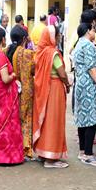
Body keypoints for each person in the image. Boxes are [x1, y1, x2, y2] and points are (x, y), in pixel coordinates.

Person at [0, 27, 24, 165]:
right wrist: (15, 75)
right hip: (3, 93)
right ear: (3, 39)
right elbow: (5, 79)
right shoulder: (0, 55)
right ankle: (7, 157)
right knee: (7, 124)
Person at [33, 26, 69, 168]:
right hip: (54, 89)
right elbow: (61, 73)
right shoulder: (52, 53)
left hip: (44, 90)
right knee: (54, 122)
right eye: (58, 35)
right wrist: (67, 83)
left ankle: (43, 153)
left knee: (46, 121)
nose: (60, 37)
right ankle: (51, 159)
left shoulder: (40, 53)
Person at [73, 24, 96, 167]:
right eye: (93, 30)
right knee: (92, 119)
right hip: (89, 85)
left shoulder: (79, 43)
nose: (95, 32)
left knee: (83, 118)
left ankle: (83, 151)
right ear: (87, 31)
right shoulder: (88, 45)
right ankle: (88, 153)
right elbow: (92, 68)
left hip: (81, 83)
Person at [8, 26, 36, 159]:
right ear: (25, 38)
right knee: (25, 119)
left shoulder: (6, 50)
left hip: (10, 89)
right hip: (25, 90)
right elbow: (34, 70)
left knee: (13, 118)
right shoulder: (28, 54)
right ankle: (25, 148)